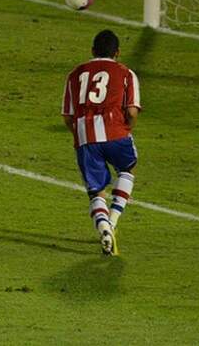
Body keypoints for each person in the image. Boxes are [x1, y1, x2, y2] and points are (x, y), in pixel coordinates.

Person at [61, 29, 141, 256]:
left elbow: (67, 117)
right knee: (127, 169)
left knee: (96, 191)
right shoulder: (126, 73)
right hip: (116, 132)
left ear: (92, 51)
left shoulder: (75, 74)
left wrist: (80, 135)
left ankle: (103, 227)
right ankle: (112, 221)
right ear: (117, 52)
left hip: (85, 136)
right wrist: (126, 129)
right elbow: (132, 111)